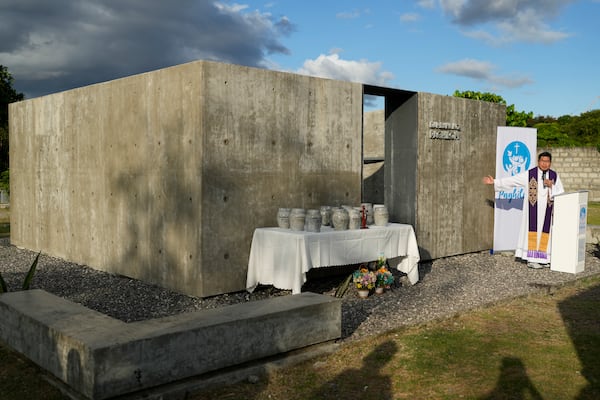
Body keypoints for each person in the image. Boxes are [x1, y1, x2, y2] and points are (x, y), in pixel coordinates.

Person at [483, 151, 564, 268]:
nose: (545, 164)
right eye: (542, 161)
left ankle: (543, 257)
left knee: (545, 232)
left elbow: (561, 191)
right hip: (533, 211)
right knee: (533, 232)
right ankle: (531, 259)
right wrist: (495, 182)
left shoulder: (554, 175)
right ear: (538, 161)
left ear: (550, 162)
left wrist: (552, 185)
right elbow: (513, 180)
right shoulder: (530, 174)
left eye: (547, 161)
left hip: (547, 211)